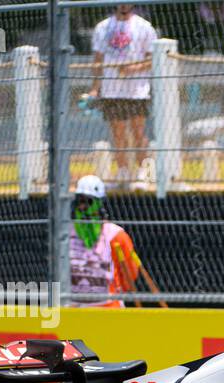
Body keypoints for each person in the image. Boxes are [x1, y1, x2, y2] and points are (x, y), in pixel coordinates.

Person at [88, 4, 158, 188]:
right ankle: (123, 172)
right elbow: (98, 60)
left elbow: (153, 59)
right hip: (111, 89)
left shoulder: (144, 27)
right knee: (117, 133)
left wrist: (133, 68)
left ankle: (144, 172)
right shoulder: (102, 27)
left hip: (137, 90)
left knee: (138, 132)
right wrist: (95, 88)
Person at [69, 174, 141, 308]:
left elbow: (130, 274)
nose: (83, 207)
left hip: (108, 306)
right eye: (80, 201)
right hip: (74, 307)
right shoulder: (66, 234)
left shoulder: (115, 235)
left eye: (88, 201)